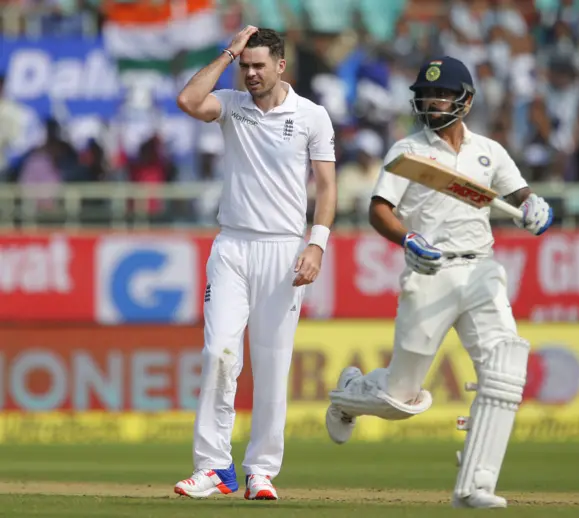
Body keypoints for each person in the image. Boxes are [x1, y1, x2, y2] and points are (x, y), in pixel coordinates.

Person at [324, 56, 553, 509]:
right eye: (426, 94)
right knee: (400, 399)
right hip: (431, 272)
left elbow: (518, 194)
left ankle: (475, 485)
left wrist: (534, 205)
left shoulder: (489, 151)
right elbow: (379, 209)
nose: (431, 100)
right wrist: (408, 239)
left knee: (504, 370)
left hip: (482, 270)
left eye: (442, 93)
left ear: (465, 101)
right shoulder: (407, 152)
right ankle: (349, 396)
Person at [174, 26, 337, 501]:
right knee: (219, 353)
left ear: (281, 66)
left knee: (271, 366)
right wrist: (228, 52)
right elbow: (188, 100)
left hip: (285, 250)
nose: (251, 74)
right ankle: (214, 467)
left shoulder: (311, 116)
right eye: (246, 66)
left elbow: (327, 188)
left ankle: (261, 471)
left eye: (259, 65)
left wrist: (317, 244)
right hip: (232, 246)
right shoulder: (230, 103)